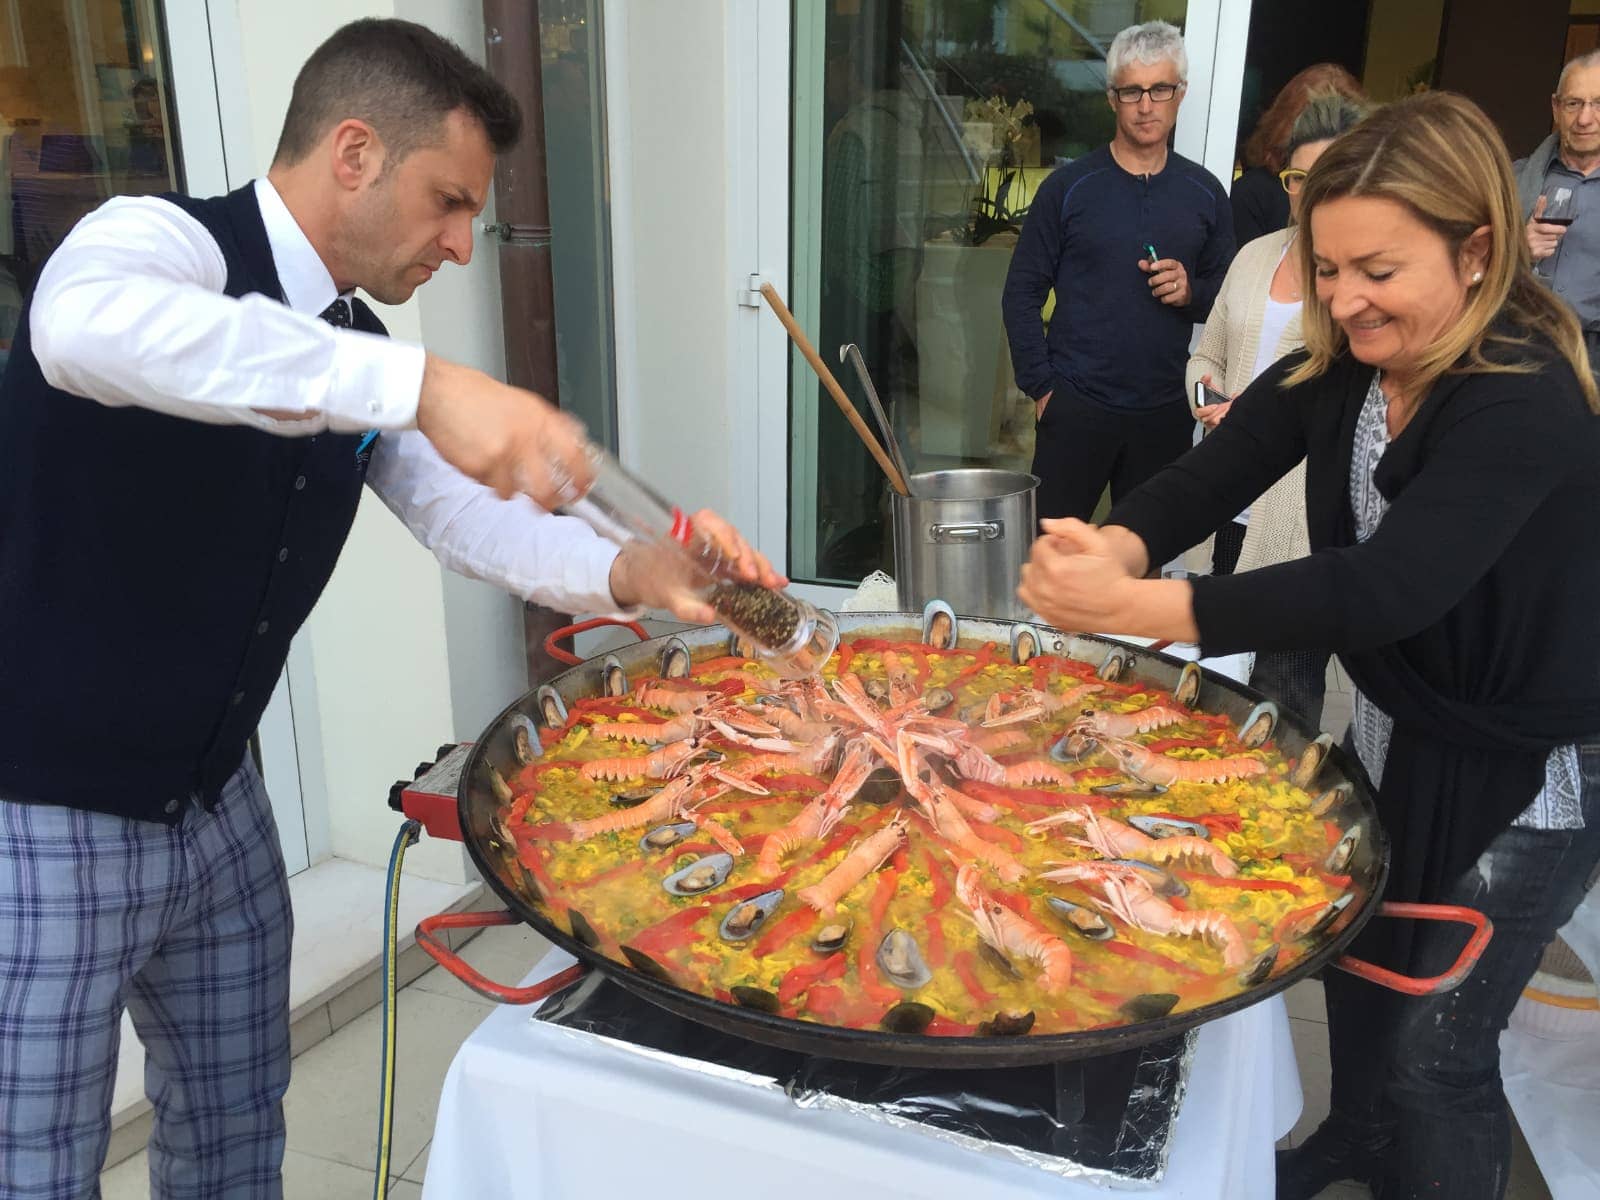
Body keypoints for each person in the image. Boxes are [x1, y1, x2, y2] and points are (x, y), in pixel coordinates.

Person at [0, 19, 778, 1198]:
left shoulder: (355, 344)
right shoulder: (157, 241)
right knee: (36, 1161)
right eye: (449, 202)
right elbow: (81, 331)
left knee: (232, 1126)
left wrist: (638, 576)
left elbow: (467, 516)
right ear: (354, 152)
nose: (463, 246)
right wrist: (427, 384)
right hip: (45, 813)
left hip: (220, 806)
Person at [1018, 91, 1600, 1200]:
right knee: (1362, 973)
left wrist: (1141, 612)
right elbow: (1220, 464)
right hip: (1398, 722)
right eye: (1327, 269)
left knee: (1441, 1053)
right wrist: (1120, 544)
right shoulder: (1345, 363)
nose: (1342, 298)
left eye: (1375, 269)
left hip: (1528, 767)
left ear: (1474, 250)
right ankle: (1355, 1145)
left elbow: (1383, 587)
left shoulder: (1521, 395)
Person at [1001, 20, 1234, 524]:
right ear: (1112, 98)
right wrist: (1042, 388)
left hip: (1164, 410)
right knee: (1054, 558)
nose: (1146, 105)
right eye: (1132, 91)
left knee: (1144, 560)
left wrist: (1191, 290)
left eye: (1160, 89)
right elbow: (1020, 291)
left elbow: (1228, 297)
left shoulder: (1205, 193)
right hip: (1075, 405)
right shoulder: (1070, 188)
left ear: (1181, 94)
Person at [1185, 91, 1369, 724]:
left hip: (1302, 517)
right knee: (1219, 689)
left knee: (1282, 698)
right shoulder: (1254, 254)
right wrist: (1206, 395)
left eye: (1326, 178)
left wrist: (1253, 417)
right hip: (1231, 506)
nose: (1307, 193)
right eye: (1296, 178)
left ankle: (1284, 816)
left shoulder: (1357, 283)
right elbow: (1205, 351)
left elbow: (1349, 404)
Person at [1516, 48, 1600, 358]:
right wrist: (1517, 250)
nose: (1584, 119)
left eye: (1598, 104)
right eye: (1573, 103)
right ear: (1556, 107)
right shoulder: (1514, 179)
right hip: (1517, 350)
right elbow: (1464, 264)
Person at [1230, 64, 1365, 246]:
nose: (1326, 124)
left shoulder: (1372, 194)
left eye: (1342, 116)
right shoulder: (1252, 194)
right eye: (1315, 115)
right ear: (1288, 120)